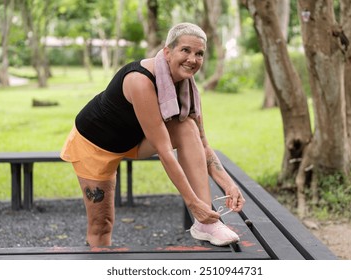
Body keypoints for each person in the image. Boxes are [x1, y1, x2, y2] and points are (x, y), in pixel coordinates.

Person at [60, 22, 245, 247]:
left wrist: (229, 185)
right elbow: (165, 151)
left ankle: (205, 223)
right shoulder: (140, 80)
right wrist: (191, 202)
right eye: (185, 50)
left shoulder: (186, 83)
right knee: (102, 224)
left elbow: (203, 144)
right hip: (95, 145)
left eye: (199, 54)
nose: (192, 59)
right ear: (167, 52)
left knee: (188, 127)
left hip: (134, 139)